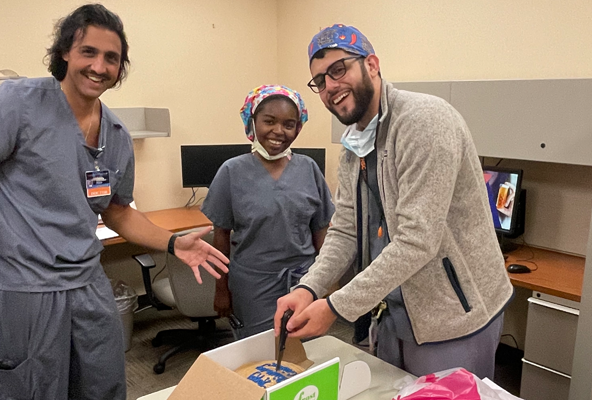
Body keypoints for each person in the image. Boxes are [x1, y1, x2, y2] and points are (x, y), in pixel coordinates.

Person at [0, 5, 228, 399]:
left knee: (102, 383)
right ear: (65, 53)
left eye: (112, 58)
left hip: (87, 283)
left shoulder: (117, 134)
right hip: (26, 287)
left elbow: (118, 211)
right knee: (33, 388)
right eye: (88, 51)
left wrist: (174, 243)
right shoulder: (17, 104)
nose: (99, 66)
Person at [274, 24, 514, 379]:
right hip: (393, 311)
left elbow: (418, 240)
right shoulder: (354, 143)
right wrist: (310, 287)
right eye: (320, 81)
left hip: (452, 317)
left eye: (338, 70)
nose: (329, 87)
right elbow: (344, 230)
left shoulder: (425, 121)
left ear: (371, 65)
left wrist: (337, 307)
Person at [201, 85, 334, 338]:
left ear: (298, 127)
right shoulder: (232, 171)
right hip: (252, 286)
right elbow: (221, 238)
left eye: (288, 124)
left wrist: (325, 282)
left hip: (304, 281)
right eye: (269, 121)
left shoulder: (309, 169)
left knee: (306, 349)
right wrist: (221, 289)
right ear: (252, 122)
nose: (278, 131)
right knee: (259, 356)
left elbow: (321, 232)